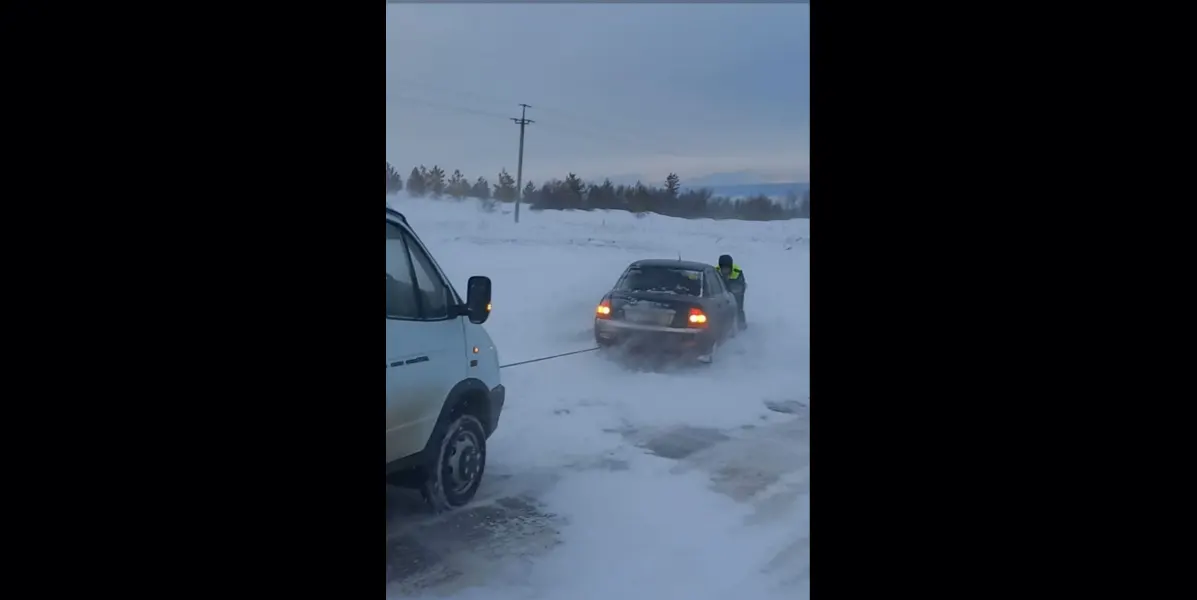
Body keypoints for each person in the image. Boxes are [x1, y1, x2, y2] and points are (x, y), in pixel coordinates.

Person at [717, 254, 748, 329]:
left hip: (735, 292)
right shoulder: (715, 271)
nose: (725, 270)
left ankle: (741, 323)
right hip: (722, 291)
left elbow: (741, 285)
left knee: (738, 306)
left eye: (727, 268)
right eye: (723, 268)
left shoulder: (737, 272)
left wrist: (736, 291)